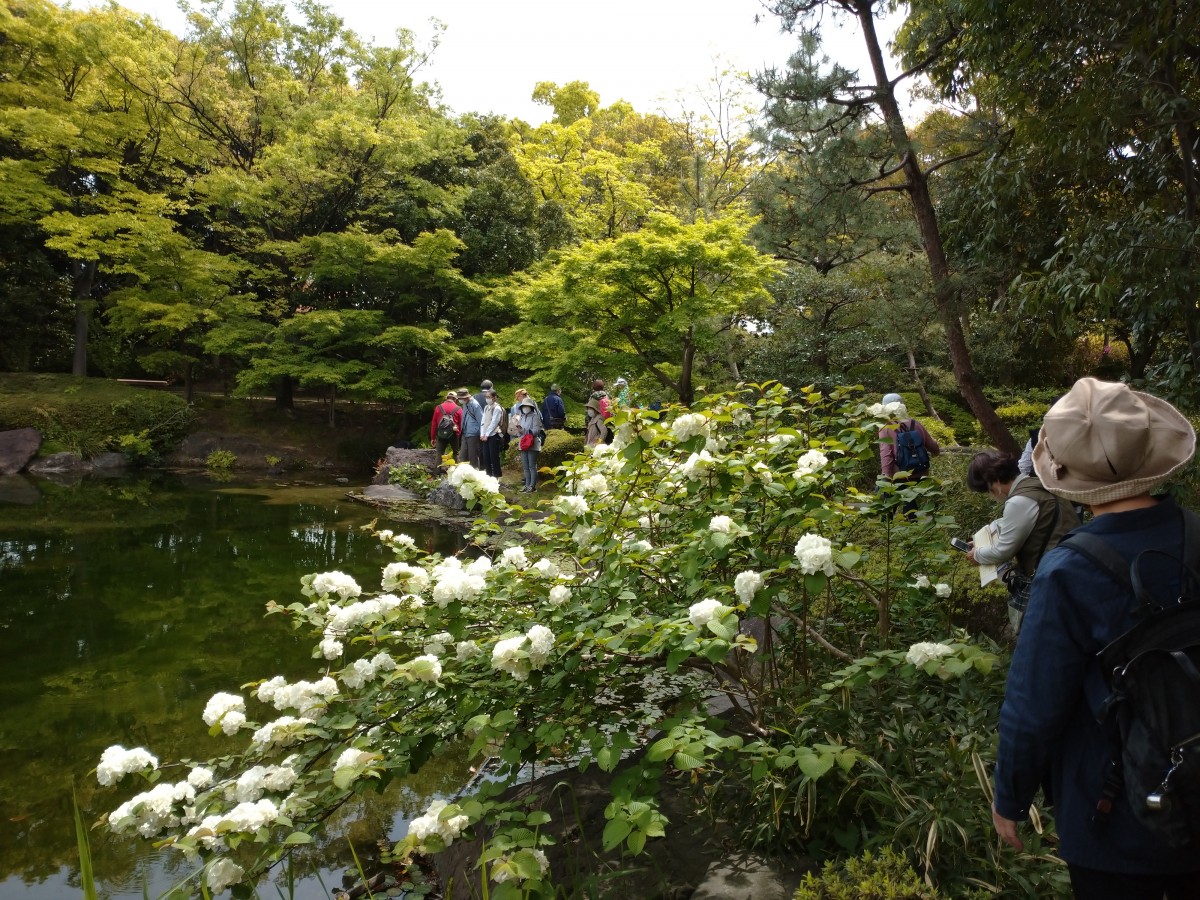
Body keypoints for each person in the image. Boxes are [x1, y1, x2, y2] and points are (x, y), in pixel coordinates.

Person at [991, 377, 1200, 898]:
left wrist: (1010, 798)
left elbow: (1034, 704)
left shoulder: (1069, 570)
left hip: (1116, 814)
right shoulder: (1196, 534)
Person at [964, 450, 1079, 635]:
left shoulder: (1019, 500)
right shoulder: (1036, 484)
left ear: (994, 480)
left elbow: (1003, 551)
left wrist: (977, 554)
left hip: (1050, 574)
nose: (990, 495)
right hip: (1067, 564)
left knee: (1042, 633)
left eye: (987, 489)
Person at [877, 392, 941, 479]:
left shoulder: (885, 428)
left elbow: (886, 454)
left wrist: (885, 477)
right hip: (921, 474)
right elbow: (935, 449)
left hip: (900, 477)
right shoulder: (916, 424)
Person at [512, 395, 544, 493]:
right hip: (523, 443)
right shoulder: (521, 417)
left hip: (533, 443)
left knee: (532, 466)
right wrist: (518, 430)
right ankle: (527, 485)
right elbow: (520, 431)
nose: (525, 408)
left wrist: (524, 430)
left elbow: (537, 430)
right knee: (525, 466)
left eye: (527, 406)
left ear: (531, 407)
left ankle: (532, 486)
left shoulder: (535, 416)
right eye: (524, 406)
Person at [479, 389, 505, 478]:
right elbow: (483, 421)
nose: (487, 399)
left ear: (494, 398)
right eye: (486, 397)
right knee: (486, 456)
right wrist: (482, 433)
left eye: (489, 397)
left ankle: (496, 476)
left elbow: (494, 423)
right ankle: (488, 475)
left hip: (493, 435)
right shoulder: (486, 407)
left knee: (494, 456)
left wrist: (487, 434)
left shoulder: (497, 408)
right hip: (485, 435)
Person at [456, 388, 484, 470]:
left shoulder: (475, 405)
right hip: (465, 432)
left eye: (460, 398)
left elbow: (481, 420)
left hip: (474, 434)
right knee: (462, 456)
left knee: (473, 456)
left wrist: (482, 434)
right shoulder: (465, 404)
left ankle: (475, 475)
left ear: (465, 398)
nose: (460, 400)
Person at [430, 390, 462, 461]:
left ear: (447, 398)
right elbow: (461, 424)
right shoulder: (459, 409)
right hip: (453, 434)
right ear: (455, 399)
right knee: (455, 453)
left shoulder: (438, 407)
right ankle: (456, 471)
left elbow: (434, 424)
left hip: (441, 434)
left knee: (439, 454)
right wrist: (458, 434)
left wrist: (433, 438)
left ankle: (437, 471)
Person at [585, 380, 609, 446]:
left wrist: (587, 422)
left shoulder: (593, 396)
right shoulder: (606, 396)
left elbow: (590, 406)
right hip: (605, 419)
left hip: (595, 420)